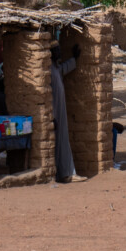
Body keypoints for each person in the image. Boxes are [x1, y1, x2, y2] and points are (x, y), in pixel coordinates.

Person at [51, 44, 82, 182]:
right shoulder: (48, 70)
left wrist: (74, 58)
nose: (59, 52)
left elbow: (64, 69)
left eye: (59, 49)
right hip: (55, 113)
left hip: (60, 112)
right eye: (56, 50)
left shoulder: (56, 68)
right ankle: (64, 173)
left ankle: (66, 172)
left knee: (62, 140)